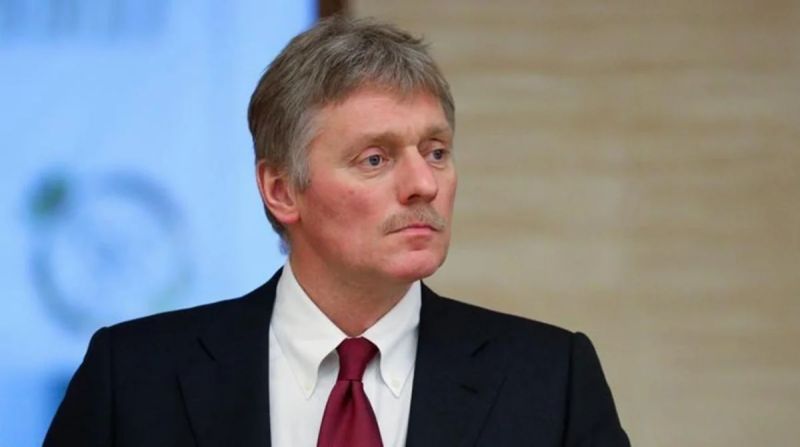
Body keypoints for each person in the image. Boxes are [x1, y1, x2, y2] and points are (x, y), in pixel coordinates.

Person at [45, 16, 630, 447]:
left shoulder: (550, 380)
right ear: (281, 190)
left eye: (436, 151)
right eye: (375, 158)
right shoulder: (134, 378)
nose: (423, 184)